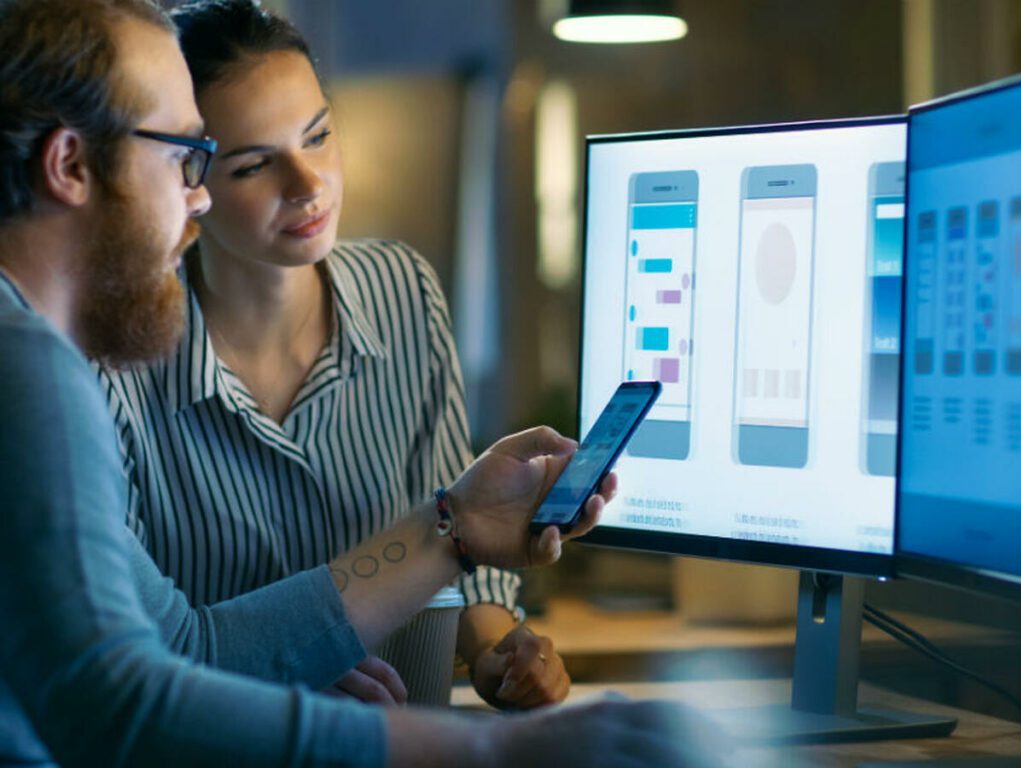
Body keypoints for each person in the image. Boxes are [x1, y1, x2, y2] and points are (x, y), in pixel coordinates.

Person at [0, 0, 725, 765]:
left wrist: (459, 523)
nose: (199, 193)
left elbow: (184, 646)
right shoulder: (30, 366)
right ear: (71, 165)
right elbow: (126, 711)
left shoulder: (27, 350)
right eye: (185, 154)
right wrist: (494, 757)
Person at [98, 0, 566, 709]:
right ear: (189, 182)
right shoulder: (119, 359)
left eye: (317, 136)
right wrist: (271, 671)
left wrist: (501, 650)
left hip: (407, 742)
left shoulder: (403, 291)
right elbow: (123, 648)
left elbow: (460, 547)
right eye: (257, 165)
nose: (308, 184)